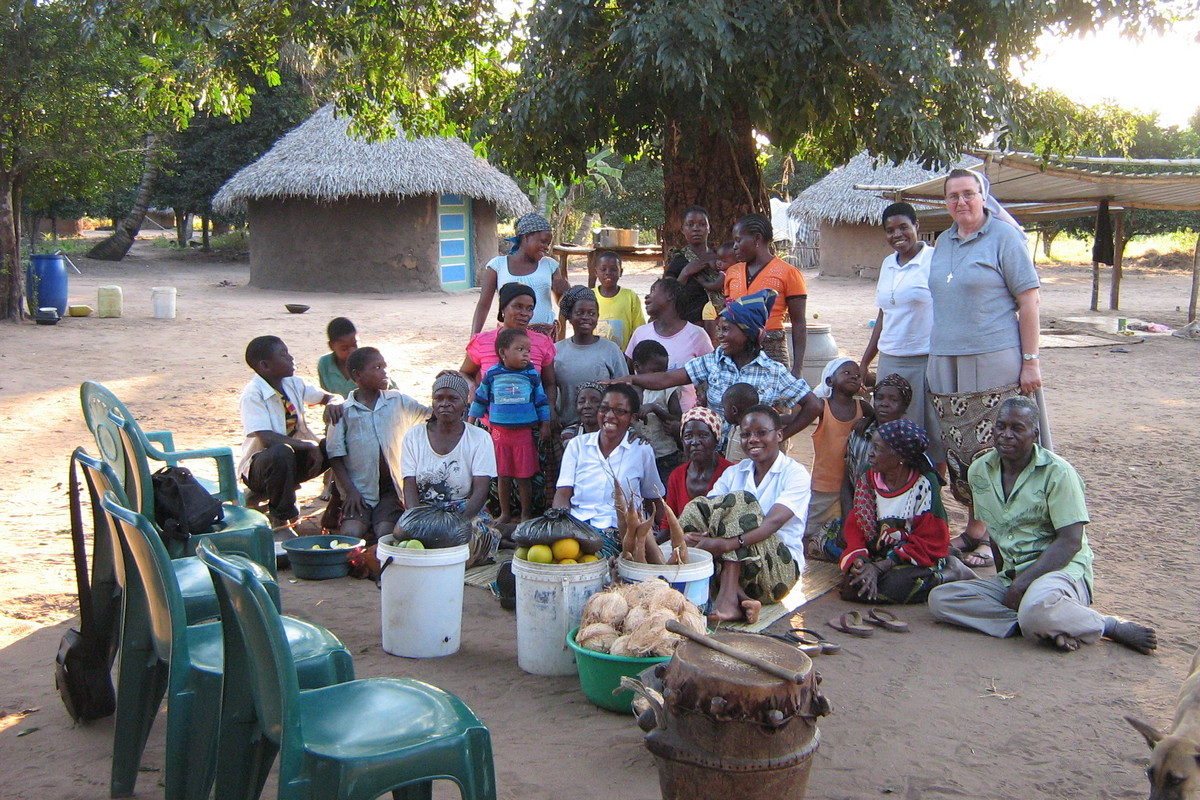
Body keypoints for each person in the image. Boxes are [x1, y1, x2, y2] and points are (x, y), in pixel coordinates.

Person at [928, 397, 1156, 654]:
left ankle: (1106, 625)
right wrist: (1008, 579)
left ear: (1035, 434)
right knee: (941, 600)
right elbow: (993, 528)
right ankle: (1044, 625)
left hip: (1059, 573)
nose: (1006, 435)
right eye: (1000, 427)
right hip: (1016, 577)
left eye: (1017, 428)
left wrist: (1021, 585)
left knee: (1036, 607)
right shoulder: (980, 470)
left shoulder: (1058, 473)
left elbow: (1070, 542)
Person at [927, 169, 1052, 568]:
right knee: (962, 450)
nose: (960, 202)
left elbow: (1029, 303)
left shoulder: (1004, 237)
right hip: (946, 357)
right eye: (952, 196)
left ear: (983, 196)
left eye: (968, 194)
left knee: (999, 446)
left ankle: (1003, 537)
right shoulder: (943, 241)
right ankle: (976, 528)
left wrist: (1031, 360)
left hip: (994, 355)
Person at [615, 289, 822, 441]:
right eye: (719, 329)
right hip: (712, 457)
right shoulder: (714, 361)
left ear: (747, 332)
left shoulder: (773, 372)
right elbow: (668, 378)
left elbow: (813, 405)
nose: (719, 335)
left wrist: (780, 437)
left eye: (726, 329)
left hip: (752, 461)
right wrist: (632, 378)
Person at [679, 405, 807, 623]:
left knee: (743, 501)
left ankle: (728, 599)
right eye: (746, 434)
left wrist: (726, 544)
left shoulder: (795, 473)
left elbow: (771, 523)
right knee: (696, 508)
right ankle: (741, 598)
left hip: (775, 573)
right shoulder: (734, 472)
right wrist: (694, 537)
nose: (752, 440)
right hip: (744, 573)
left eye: (761, 433)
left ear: (779, 435)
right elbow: (706, 511)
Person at [839, 420, 973, 604]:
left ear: (899, 457)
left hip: (913, 556)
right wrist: (860, 560)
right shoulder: (869, 476)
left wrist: (880, 567)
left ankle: (949, 573)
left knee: (894, 585)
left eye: (877, 449)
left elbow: (930, 539)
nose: (870, 453)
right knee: (851, 586)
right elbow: (857, 523)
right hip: (879, 552)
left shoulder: (925, 483)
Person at [858, 203, 939, 462]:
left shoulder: (935, 260)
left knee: (929, 432)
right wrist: (866, 360)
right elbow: (884, 314)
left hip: (925, 360)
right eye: (890, 230)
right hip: (891, 360)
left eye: (903, 227)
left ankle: (931, 491)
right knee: (891, 432)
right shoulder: (887, 264)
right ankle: (896, 490)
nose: (897, 234)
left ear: (917, 226)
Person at [325, 347, 430, 545]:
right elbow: (335, 455)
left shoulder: (397, 400)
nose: (385, 372)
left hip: (391, 489)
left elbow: (428, 414)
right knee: (351, 535)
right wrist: (350, 491)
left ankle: (375, 534)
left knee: (386, 535)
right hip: (359, 489)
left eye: (385, 367)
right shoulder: (344, 412)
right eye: (377, 367)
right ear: (358, 375)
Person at [238, 336, 342, 531]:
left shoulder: (293, 383)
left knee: (336, 445)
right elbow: (266, 438)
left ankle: (337, 504)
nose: (291, 358)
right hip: (261, 467)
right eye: (283, 355)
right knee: (281, 452)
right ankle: (281, 519)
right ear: (265, 365)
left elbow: (328, 396)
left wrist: (334, 403)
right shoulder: (253, 394)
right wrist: (309, 446)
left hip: (295, 460)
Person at [402, 370, 500, 567]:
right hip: (426, 511)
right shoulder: (414, 436)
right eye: (439, 398)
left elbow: (481, 490)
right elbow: (409, 484)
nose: (444, 403)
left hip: (463, 511)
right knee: (401, 532)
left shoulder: (480, 438)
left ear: (465, 404)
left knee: (469, 538)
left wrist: (455, 525)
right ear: (432, 402)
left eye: (453, 398)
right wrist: (416, 520)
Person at [554, 384, 665, 555]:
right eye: (604, 409)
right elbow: (562, 495)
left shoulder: (641, 450)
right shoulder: (577, 446)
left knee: (589, 559)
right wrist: (562, 527)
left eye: (619, 411)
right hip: (576, 528)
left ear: (632, 418)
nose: (609, 416)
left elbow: (653, 499)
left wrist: (669, 535)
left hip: (617, 533)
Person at [467, 328, 552, 523]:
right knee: (503, 476)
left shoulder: (531, 374)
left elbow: (541, 400)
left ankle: (525, 514)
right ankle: (505, 513)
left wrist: (545, 423)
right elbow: (480, 399)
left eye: (528, 351)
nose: (526, 354)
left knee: (524, 477)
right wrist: (470, 424)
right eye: (520, 349)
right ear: (503, 353)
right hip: (499, 435)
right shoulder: (492, 374)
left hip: (523, 435)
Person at [724, 213, 808, 376]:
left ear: (757, 239)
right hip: (737, 351)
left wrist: (798, 369)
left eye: (738, 240)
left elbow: (799, 324)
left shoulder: (789, 273)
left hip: (772, 349)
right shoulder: (732, 272)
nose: (734, 246)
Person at [805, 358, 868, 559]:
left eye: (857, 375)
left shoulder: (863, 408)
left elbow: (878, 423)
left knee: (845, 529)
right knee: (810, 528)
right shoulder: (822, 407)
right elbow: (798, 419)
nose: (853, 377)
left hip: (853, 485)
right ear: (830, 381)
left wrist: (867, 421)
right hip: (824, 484)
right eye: (847, 373)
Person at [461, 282, 557, 414]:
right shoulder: (482, 342)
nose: (525, 313)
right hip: (489, 422)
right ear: (503, 308)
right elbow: (465, 373)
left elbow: (549, 383)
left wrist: (549, 410)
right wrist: (472, 387)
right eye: (518, 306)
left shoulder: (542, 343)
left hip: (530, 423)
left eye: (530, 308)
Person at [470, 212, 568, 340]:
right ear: (526, 237)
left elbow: (563, 303)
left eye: (548, 244)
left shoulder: (550, 265)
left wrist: (564, 291)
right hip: (511, 338)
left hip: (544, 337)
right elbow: (484, 305)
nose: (546, 248)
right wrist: (474, 337)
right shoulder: (498, 265)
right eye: (543, 242)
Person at [624, 277, 713, 411]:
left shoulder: (697, 335)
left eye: (653, 290)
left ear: (670, 296)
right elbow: (629, 372)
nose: (647, 297)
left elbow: (711, 376)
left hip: (685, 417)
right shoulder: (640, 333)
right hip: (645, 418)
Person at [553, 285, 628, 426]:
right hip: (566, 428)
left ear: (598, 316)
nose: (586, 318)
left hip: (604, 429)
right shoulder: (557, 351)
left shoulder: (611, 350)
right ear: (569, 316)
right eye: (579, 313)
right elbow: (550, 390)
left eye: (591, 313)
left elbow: (623, 390)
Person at [629, 340, 682, 485]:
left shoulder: (667, 388)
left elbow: (678, 419)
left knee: (664, 495)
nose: (661, 376)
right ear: (637, 367)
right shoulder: (628, 391)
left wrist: (656, 409)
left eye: (664, 371)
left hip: (665, 457)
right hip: (636, 457)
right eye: (655, 371)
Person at [665, 406, 734, 516]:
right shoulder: (677, 476)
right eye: (688, 436)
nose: (695, 442)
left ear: (716, 439)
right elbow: (669, 522)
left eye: (703, 435)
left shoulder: (731, 473)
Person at [665, 205, 724, 325]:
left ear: (709, 228)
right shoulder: (678, 261)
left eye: (702, 224)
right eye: (690, 225)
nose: (696, 229)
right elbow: (666, 295)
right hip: (689, 327)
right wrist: (685, 273)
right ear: (683, 230)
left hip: (721, 326)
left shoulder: (722, 258)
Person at [593, 251, 645, 349]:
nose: (608, 273)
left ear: (620, 272)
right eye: (603, 269)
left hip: (623, 357)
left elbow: (638, 330)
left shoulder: (630, 297)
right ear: (596, 272)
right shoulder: (590, 296)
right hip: (595, 358)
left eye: (613, 269)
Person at [719, 382, 759, 463]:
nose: (723, 412)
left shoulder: (751, 436)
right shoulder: (734, 428)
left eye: (724, 409)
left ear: (734, 410)